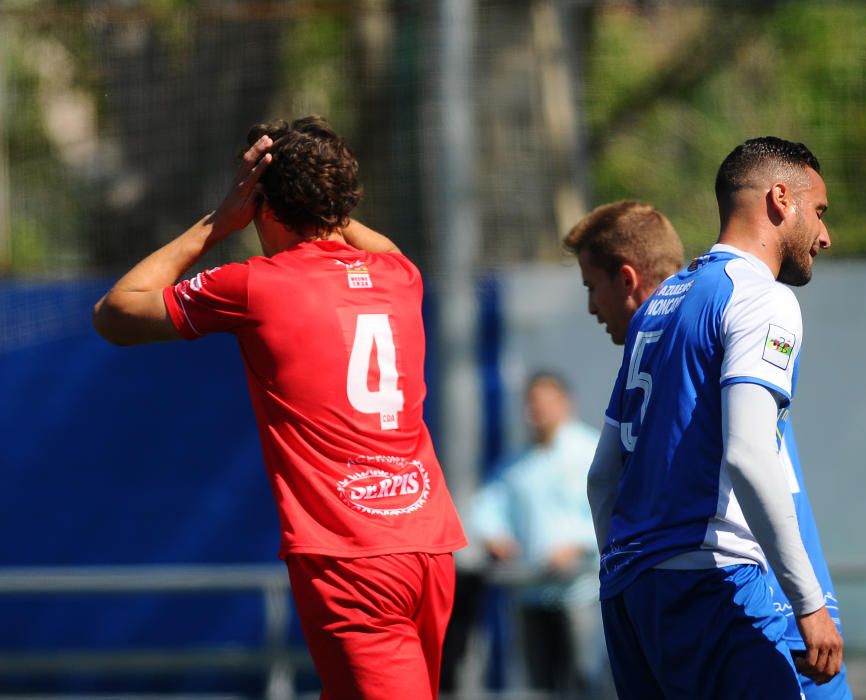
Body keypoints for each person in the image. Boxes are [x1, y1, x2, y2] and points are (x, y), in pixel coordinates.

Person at [92, 116, 466, 700]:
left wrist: (219, 220)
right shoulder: (400, 276)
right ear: (340, 207)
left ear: (262, 204)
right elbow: (380, 245)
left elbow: (116, 312)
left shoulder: (255, 284)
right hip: (429, 548)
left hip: (350, 558)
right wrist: (321, 188)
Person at [572, 138, 844, 699]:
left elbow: (604, 473)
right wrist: (810, 604)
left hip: (631, 596)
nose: (824, 236)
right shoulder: (759, 298)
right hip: (713, 588)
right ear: (779, 199)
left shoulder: (661, 302)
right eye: (818, 212)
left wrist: (624, 572)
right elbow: (748, 453)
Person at [471, 371, 606, 697]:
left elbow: (614, 510)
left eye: (546, 402)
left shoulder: (590, 450)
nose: (538, 410)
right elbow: (488, 507)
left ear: (565, 403)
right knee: (539, 685)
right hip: (531, 591)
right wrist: (495, 537)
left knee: (583, 680)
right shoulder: (516, 463)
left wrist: (577, 546)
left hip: (581, 592)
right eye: (532, 403)